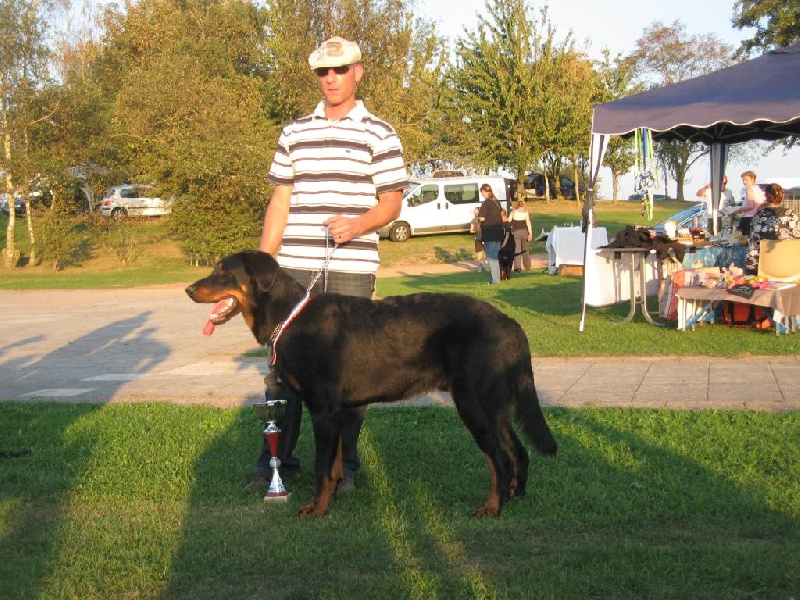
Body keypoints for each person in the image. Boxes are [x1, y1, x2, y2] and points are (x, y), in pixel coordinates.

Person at [246, 36, 409, 493]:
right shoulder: (293, 132)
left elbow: (391, 204)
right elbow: (280, 201)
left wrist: (356, 226)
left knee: (350, 375)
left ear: (358, 70)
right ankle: (273, 463)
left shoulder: (381, 132)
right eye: (323, 71)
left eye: (340, 69)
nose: (331, 78)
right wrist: (264, 266)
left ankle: (345, 468)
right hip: (292, 275)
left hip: (351, 270)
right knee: (283, 375)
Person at [744, 183, 800, 275]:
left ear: (766, 196)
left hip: (763, 269)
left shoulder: (757, 217)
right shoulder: (793, 216)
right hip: (790, 267)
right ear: (783, 196)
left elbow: (753, 242)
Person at [477, 183, 505, 284]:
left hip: (490, 232)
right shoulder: (496, 202)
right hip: (498, 232)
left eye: (482, 193)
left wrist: (478, 218)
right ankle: (497, 279)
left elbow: (482, 217)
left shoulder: (486, 203)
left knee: (491, 257)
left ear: (484, 191)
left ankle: (495, 280)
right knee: (495, 256)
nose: (482, 195)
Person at [736, 170, 766, 236]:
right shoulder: (758, 189)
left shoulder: (749, 189)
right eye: (743, 180)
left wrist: (738, 210)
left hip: (748, 218)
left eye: (746, 180)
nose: (744, 182)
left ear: (752, 179)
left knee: (744, 238)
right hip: (757, 217)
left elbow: (750, 205)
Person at [509, 199, 532, 272]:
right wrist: (530, 233)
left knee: (517, 251)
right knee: (526, 251)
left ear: (517, 206)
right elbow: (528, 223)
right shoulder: (525, 212)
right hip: (524, 232)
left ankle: (517, 268)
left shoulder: (513, 212)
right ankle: (527, 268)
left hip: (516, 232)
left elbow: (508, 221)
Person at [469, 207, 487, 271]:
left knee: (487, 252)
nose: (475, 212)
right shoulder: (473, 220)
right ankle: (480, 267)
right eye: (475, 211)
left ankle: (483, 263)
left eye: (476, 211)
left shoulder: (483, 219)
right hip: (477, 238)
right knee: (479, 253)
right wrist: (475, 231)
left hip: (484, 238)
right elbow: (471, 230)